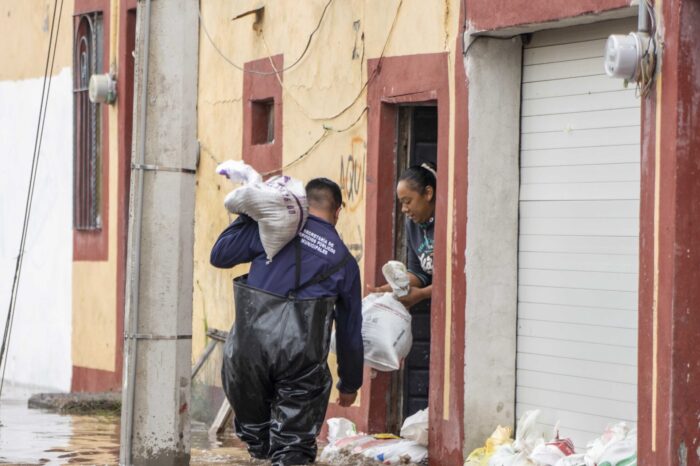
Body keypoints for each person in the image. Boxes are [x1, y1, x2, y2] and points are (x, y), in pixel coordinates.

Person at [210, 178, 363, 466]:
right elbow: (349, 329)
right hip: (301, 358)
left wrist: (249, 215)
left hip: (247, 352)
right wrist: (350, 382)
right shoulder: (344, 262)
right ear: (338, 211)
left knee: (259, 441)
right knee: (291, 447)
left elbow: (219, 255)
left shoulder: (270, 229)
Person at [371, 163, 436, 308]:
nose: (404, 209)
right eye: (402, 203)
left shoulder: (447, 222)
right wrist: (388, 290)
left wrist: (422, 294)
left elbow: (453, 277)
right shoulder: (412, 224)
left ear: (428, 193)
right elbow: (418, 273)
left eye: (407, 202)